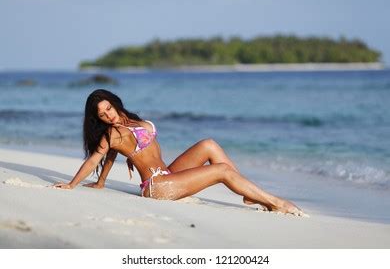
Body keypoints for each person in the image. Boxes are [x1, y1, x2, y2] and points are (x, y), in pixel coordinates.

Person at [54, 89, 305, 216]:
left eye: (108, 107)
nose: (108, 115)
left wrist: (101, 181)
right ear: (99, 118)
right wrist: (73, 184)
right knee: (221, 171)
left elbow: (113, 157)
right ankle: (276, 202)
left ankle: (249, 194)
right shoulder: (111, 135)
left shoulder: (131, 120)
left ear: (113, 102)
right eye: (102, 114)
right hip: (157, 186)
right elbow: (97, 157)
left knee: (209, 144)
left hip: (167, 173)